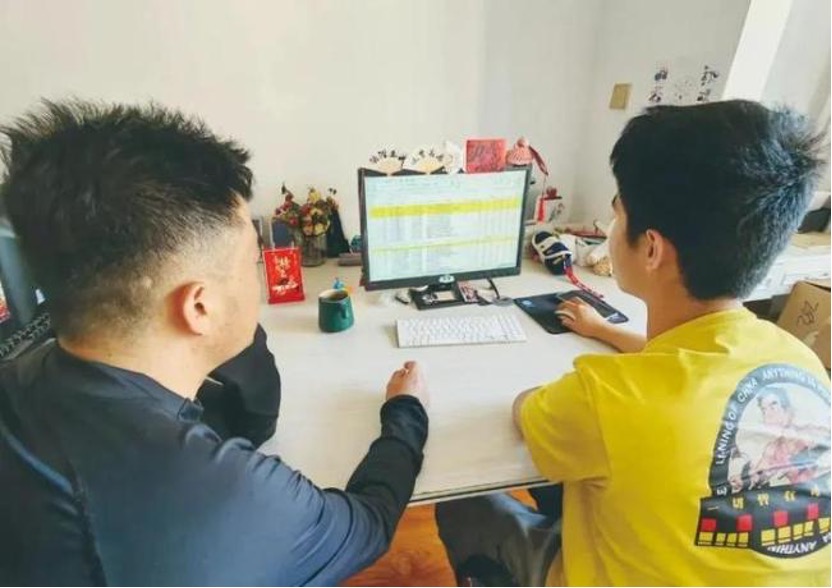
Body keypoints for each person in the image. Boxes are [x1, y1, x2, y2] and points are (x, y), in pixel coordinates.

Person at [0, 100, 429, 585]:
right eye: (252, 260)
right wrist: (406, 414)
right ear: (198, 307)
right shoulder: (231, 498)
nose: (261, 277)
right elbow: (368, 523)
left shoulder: (21, 383)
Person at [436, 100, 830, 586]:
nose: (607, 230)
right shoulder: (799, 361)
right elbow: (691, 369)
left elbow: (527, 411)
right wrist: (603, 331)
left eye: (616, 215)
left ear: (651, 248)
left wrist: (553, 390)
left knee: (460, 504)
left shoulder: (609, 399)